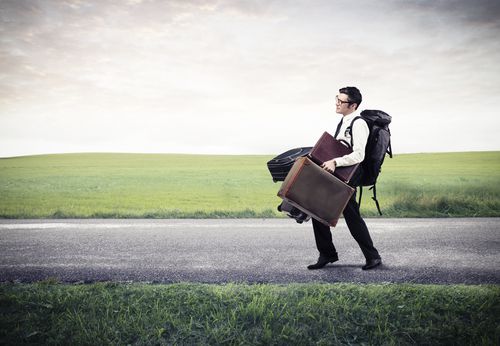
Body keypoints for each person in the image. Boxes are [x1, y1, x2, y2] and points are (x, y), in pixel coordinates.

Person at [307, 86, 382, 270]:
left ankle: (371, 257)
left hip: (349, 175)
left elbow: (359, 155)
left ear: (353, 105)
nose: (337, 103)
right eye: (337, 99)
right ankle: (328, 254)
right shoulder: (344, 121)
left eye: (341, 101)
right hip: (340, 174)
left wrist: (334, 162)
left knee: (351, 215)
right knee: (319, 210)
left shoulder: (358, 123)